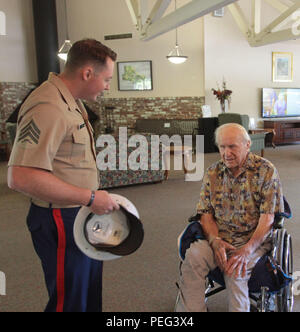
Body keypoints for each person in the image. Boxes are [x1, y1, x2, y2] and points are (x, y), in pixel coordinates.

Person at [7, 38, 120, 312]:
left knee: (87, 294)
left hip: (80, 213)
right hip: (60, 217)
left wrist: (90, 200)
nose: (107, 86)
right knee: (69, 301)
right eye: (106, 79)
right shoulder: (48, 106)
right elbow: (20, 177)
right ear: (87, 73)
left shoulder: (72, 100)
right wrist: (90, 196)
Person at [176, 123, 284, 312]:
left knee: (236, 270)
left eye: (232, 146)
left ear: (247, 144)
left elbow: (267, 219)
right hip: (219, 240)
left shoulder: (265, 171)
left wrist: (246, 250)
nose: (226, 153)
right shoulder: (213, 173)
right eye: (222, 147)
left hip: (253, 241)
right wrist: (214, 240)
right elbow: (206, 215)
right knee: (193, 257)